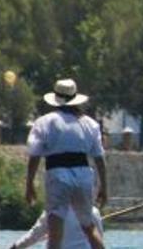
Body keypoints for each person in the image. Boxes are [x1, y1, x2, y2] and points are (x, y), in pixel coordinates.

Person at [25, 78, 108, 249]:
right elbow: (99, 158)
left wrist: (29, 184)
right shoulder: (90, 124)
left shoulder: (45, 122)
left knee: (55, 230)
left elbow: (35, 155)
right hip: (84, 175)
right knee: (89, 228)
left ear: (56, 100)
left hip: (58, 173)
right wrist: (104, 187)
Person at [10, 207, 104, 249]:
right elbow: (99, 240)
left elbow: (33, 236)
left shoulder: (52, 212)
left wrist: (15, 247)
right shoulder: (93, 212)